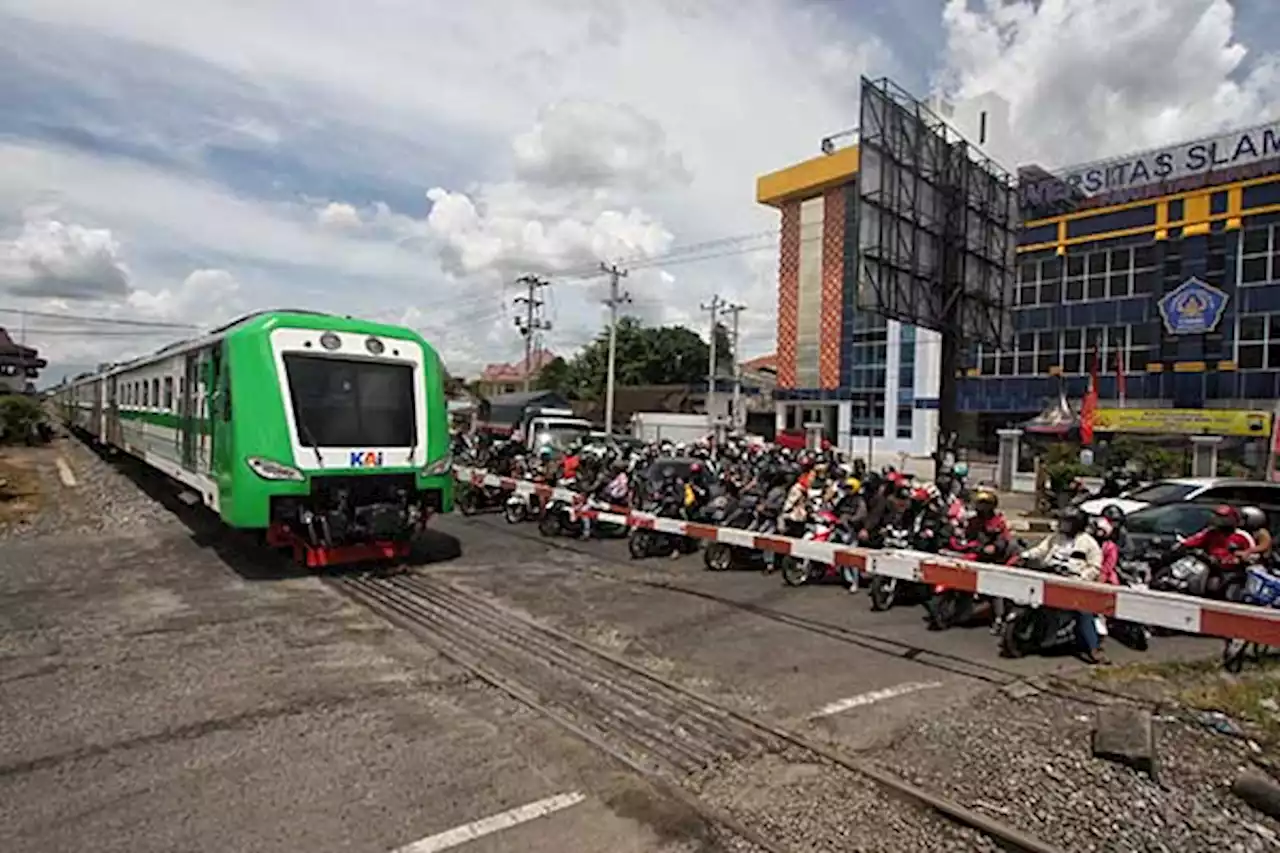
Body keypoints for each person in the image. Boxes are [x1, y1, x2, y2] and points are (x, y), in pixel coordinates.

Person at [1018, 508, 1107, 664]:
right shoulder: (1056, 537)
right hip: (1050, 574)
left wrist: (1081, 576)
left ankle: (1094, 649)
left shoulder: (1088, 543)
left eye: (1067, 522)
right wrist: (1025, 555)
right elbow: (1041, 550)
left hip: (1073, 582)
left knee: (1083, 612)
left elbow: (1095, 567)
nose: (1063, 525)